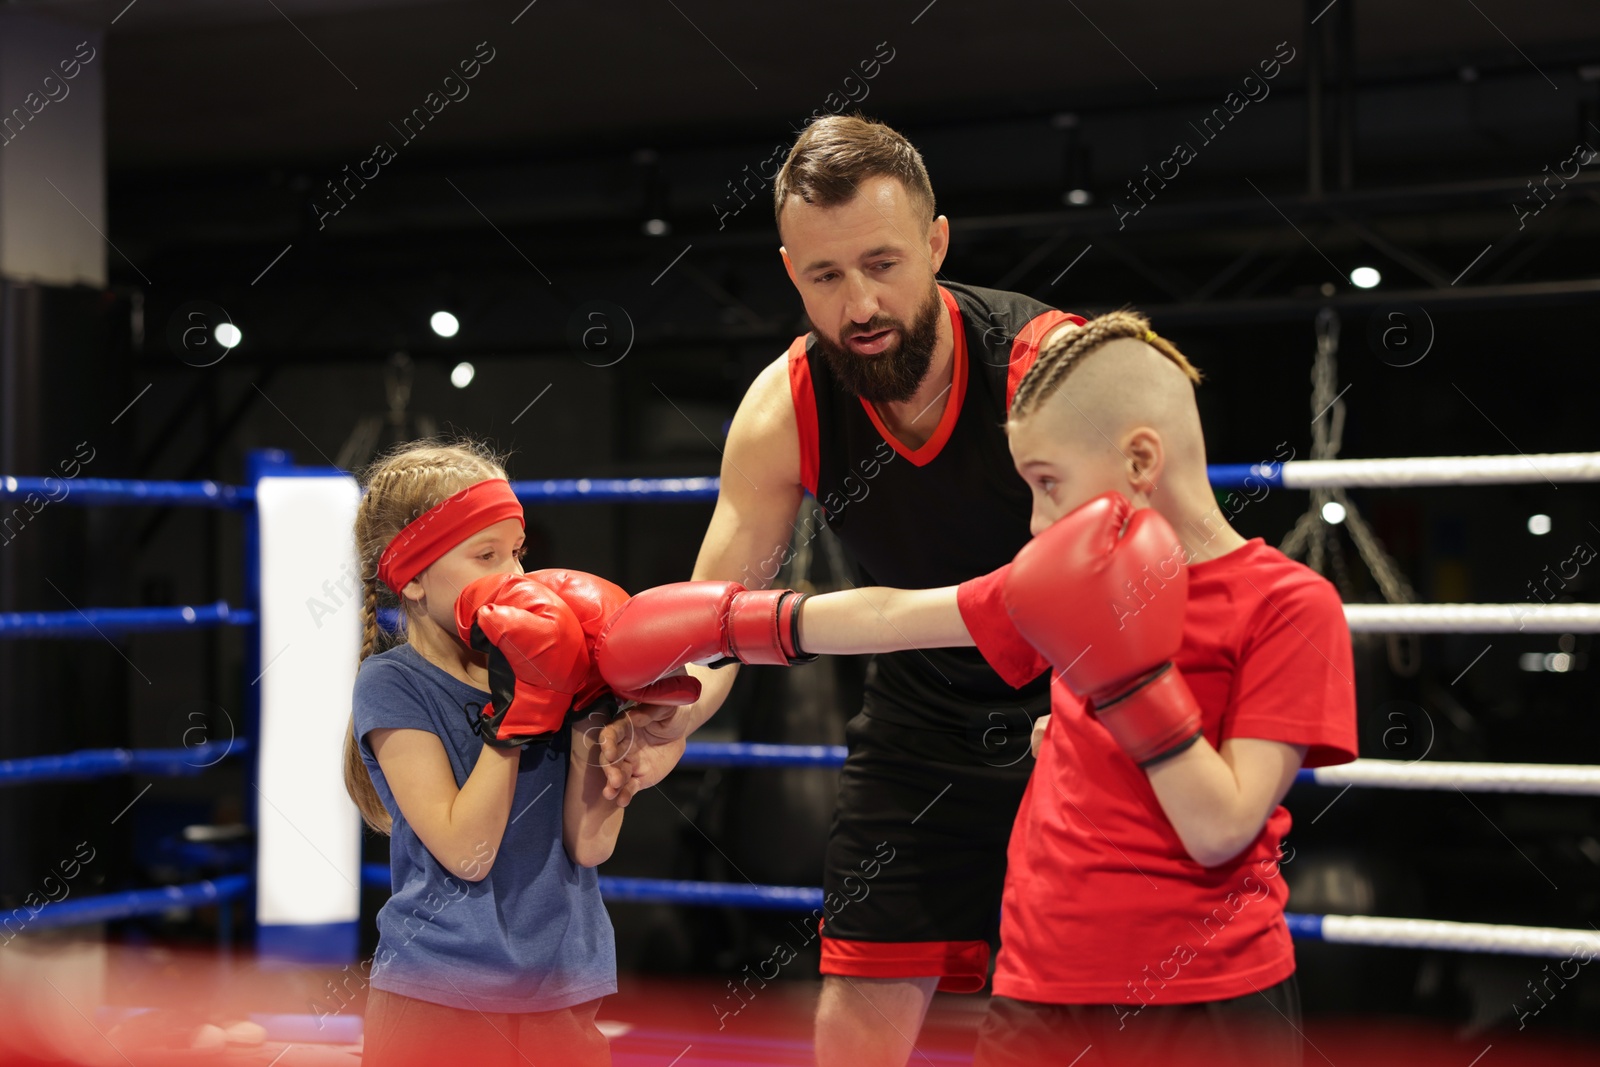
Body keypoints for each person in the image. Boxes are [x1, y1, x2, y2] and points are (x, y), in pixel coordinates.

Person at [598, 311, 1358, 1066]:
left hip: (1212, 995)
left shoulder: (1287, 605)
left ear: (1140, 460)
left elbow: (1220, 824)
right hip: (1038, 985)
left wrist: (1126, 687)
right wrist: (731, 623)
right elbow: (896, 611)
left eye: (1048, 483)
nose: (1034, 520)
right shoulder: (1060, 582)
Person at [597, 113, 1086, 1065]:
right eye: (826, 276)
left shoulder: (1044, 367)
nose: (860, 302)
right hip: (917, 720)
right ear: (791, 271)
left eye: (883, 263)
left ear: (937, 243)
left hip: (1072, 710)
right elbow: (714, 617)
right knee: (858, 1007)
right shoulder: (787, 406)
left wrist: (1100, 708)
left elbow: (1120, 577)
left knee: (1068, 1018)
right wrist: (665, 717)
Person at [342, 438, 688, 1067]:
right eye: (486, 555)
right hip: (439, 997)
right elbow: (468, 854)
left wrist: (588, 705)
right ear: (414, 577)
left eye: (517, 553)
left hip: (564, 987)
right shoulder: (393, 684)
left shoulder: (541, 657)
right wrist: (519, 714)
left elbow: (591, 845)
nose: (514, 577)